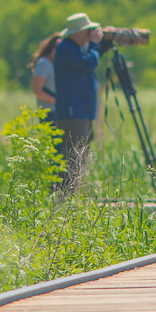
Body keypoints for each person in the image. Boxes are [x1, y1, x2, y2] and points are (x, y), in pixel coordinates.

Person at [52, 12, 113, 195]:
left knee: (80, 158)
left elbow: (90, 59)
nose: (90, 34)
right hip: (73, 113)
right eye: (88, 32)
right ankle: (65, 200)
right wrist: (94, 44)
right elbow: (88, 63)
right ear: (79, 33)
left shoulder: (75, 49)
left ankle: (72, 197)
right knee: (73, 158)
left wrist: (105, 43)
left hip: (81, 111)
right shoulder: (66, 49)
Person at [29, 32, 60, 118]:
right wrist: (57, 102)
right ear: (52, 49)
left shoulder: (55, 64)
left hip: (58, 111)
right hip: (48, 112)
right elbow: (37, 90)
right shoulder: (44, 63)